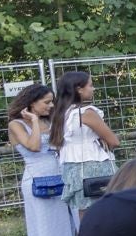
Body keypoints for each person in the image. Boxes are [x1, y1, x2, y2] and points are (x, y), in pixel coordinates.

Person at [8, 82, 75, 236]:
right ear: (32, 103)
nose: (51, 106)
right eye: (46, 102)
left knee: (66, 221)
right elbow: (34, 146)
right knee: (45, 224)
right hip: (37, 179)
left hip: (61, 174)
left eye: (52, 101)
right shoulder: (16, 125)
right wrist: (35, 122)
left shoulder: (51, 121)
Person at [51, 70, 120, 222]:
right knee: (105, 214)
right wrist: (102, 140)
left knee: (85, 217)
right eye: (90, 85)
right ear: (79, 89)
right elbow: (114, 141)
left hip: (73, 169)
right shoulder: (86, 113)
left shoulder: (62, 114)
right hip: (94, 167)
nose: (93, 89)